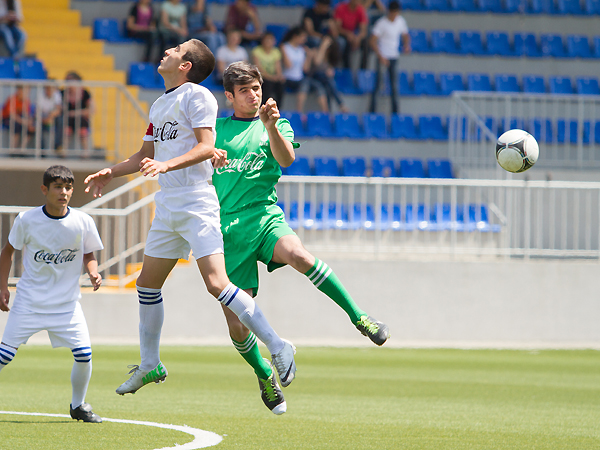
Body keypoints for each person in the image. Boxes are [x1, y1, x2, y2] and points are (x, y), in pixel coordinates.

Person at [83, 39, 296, 399]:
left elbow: (206, 147)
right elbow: (145, 154)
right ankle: (150, 363)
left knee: (216, 283)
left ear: (185, 66)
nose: (167, 50)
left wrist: (166, 164)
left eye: (177, 49)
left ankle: (278, 345)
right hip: (168, 204)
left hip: (197, 201)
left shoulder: (198, 96)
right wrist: (111, 172)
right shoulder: (159, 104)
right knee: (147, 285)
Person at [213, 61, 390, 414]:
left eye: (256, 88)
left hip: (264, 216)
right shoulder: (215, 130)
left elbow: (287, 158)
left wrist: (271, 127)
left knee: (301, 256)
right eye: (244, 91)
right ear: (229, 96)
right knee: (237, 326)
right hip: (227, 230)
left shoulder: (277, 124)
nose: (253, 95)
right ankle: (264, 373)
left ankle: (360, 318)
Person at [0, 165, 104, 423]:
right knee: (4, 356)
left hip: (66, 305)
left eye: (68, 187)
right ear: (44, 190)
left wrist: (93, 272)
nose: (64, 192)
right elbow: (7, 253)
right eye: (58, 187)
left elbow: (89, 254)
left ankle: (78, 406)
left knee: (84, 355)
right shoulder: (26, 219)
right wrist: (2, 287)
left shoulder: (83, 221)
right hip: (29, 303)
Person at [369, 0, 410, 114]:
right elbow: (372, 41)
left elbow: (405, 35)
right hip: (383, 57)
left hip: (394, 57)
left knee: (395, 87)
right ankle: (372, 112)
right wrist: (380, 56)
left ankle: (395, 113)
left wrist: (406, 45)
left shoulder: (400, 21)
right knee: (378, 86)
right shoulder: (381, 23)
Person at [281, 26, 327, 113]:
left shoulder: (301, 49)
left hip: (299, 78)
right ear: (295, 36)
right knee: (304, 84)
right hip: (288, 78)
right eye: (303, 37)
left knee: (318, 86)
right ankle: (300, 111)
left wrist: (309, 57)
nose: (304, 40)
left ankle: (325, 112)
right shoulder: (285, 47)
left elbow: (305, 69)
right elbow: (288, 65)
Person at [311, 35, 348, 113]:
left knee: (328, 85)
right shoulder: (316, 50)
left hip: (325, 80)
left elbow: (333, 69)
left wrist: (331, 71)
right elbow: (317, 62)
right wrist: (323, 47)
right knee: (328, 80)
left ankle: (329, 112)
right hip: (315, 76)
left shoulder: (330, 57)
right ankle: (341, 104)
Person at [63, 71, 93, 156]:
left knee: (82, 124)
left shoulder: (85, 93)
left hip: (81, 118)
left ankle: (85, 152)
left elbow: (92, 109)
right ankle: (64, 151)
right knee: (67, 125)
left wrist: (75, 113)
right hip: (67, 119)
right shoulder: (63, 93)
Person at [251, 31, 285, 106]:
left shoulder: (276, 52)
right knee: (267, 84)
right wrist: (271, 77)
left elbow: (278, 67)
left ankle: (278, 107)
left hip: (273, 77)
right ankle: (263, 106)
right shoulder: (257, 51)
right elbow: (259, 69)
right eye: (266, 39)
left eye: (271, 40)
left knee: (281, 84)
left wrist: (279, 76)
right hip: (262, 77)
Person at [333, 0, 368, 70]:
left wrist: (358, 38)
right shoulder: (341, 8)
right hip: (341, 34)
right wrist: (348, 34)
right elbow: (337, 28)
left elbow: (363, 30)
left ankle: (363, 69)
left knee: (365, 43)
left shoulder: (360, 10)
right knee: (343, 42)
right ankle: (345, 68)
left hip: (353, 35)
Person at [2, 84, 34, 153]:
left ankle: (21, 150)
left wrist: (29, 122)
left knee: (31, 129)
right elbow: (12, 115)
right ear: (19, 91)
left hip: (20, 120)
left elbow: (27, 114)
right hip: (7, 119)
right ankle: (13, 150)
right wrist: (23, 122)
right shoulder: (12, 99)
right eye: (26, 92)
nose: (27, 94)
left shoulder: (26, 101)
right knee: (15, 126)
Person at [37, 81, 64, 154]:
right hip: (43, 116)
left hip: (52, 116)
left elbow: (58, 109)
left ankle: (57, 145)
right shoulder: (41, 95)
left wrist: (50, 117)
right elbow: (37, 111)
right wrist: (44, 119)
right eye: (48, 89)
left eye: (51, 89)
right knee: (38, 124)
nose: (49, 91)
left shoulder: (56, 95)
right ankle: (42, 150)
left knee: (60, 120)